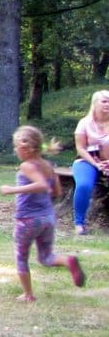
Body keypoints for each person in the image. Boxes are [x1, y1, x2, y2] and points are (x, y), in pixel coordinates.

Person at [0, 126, 86, 301]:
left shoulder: (27, 166)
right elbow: (57, 192)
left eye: (16, 147)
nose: (15, 150)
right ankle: (68, 261)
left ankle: (28, 295)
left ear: (26, 148)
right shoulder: (47, 166)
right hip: (47, 218)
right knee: (46, 257)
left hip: (28, 220)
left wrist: (12, 190)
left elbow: (42, 185)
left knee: (21, 257)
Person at [70, 90, 109, 235]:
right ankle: (79, 223)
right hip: (87, 161)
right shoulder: (84, 123)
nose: (107, 104)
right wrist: (96, 164)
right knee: (83, 185)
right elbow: (80, 148)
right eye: (104, 101)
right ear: (95, 104)